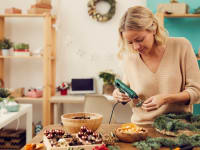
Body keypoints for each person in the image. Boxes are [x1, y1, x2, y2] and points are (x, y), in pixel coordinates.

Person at [112, 6, 200, 125]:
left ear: (153, 29)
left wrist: (166, 99)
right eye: (130, 42)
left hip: (178, 127)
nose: (136, 47)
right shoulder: (130, 57)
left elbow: (196, 91)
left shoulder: (181, 46)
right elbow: (127, 91)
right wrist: (118, 94)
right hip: (141, 128)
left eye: (139, 39)